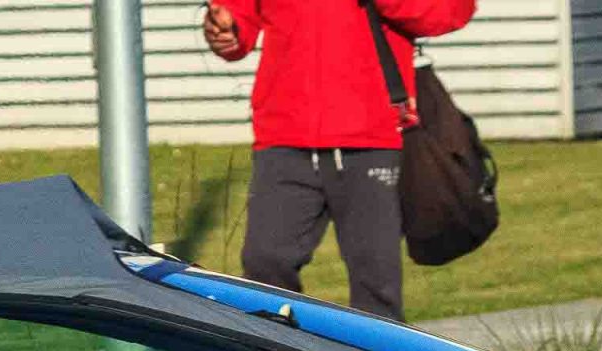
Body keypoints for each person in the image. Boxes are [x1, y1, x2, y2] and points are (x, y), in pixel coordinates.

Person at [204, 0, 477, 320]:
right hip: (284, 133)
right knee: (264, 265)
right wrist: (229, 30)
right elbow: (239, 15)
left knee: (376, 285)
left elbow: (451, 10)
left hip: (372, 136)